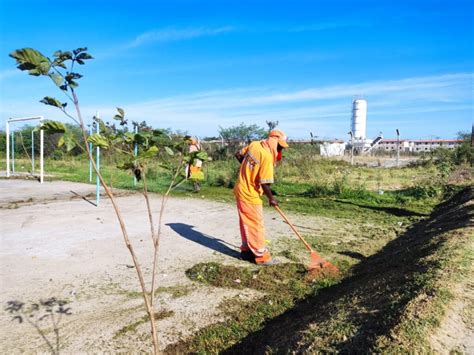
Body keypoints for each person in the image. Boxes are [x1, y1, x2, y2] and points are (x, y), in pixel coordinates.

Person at [233, 129, 289, 265]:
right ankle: (260, 255)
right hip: (250, 194)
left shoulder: (255, 144)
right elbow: (265, 183)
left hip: (240, 188)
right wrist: (271, 198)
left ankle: (246, 252)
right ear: (274, 141)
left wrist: (249, 170)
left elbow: (238, 154)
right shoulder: (267, 156)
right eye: (280, 145)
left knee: (245, 222)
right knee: (256, 224)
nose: (281, 148)